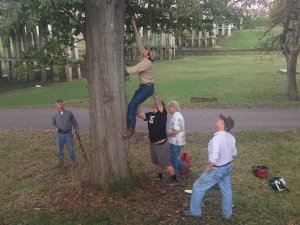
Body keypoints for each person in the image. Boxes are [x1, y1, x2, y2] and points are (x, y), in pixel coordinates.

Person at [182, 115, 237, 219]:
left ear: (222, 125)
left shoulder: (216, 139)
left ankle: (195, 212)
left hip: (217, 169)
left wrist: (209, 167)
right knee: (226, 190)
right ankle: (227, 214)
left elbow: (214, 157)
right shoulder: (231, 137)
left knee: (197, 187)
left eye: (220, 120)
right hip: (228, 167)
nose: (218, 120)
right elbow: (234, 154)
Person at [123, 19, 155, 138]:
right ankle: (143, 117)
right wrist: (135, 27)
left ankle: (131, 129)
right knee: (134, 108)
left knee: (132, 105)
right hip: (143, 88)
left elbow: (132, 70)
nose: (144, 49)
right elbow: (139, 42)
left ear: (148, 55)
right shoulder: (144, 56)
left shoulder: (146, 62)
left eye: (146, 51)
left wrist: (121, 65)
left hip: (147, 88)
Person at [137, 93, 177, 186]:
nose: (155, 105)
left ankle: (174, 180)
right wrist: (138, 103)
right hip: (153, 144)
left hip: (161, 144)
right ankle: (160, 177)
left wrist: (154, 96)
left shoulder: (162, 114)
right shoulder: (150, 115)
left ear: (161, 107)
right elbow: (139, 114)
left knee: (166, 163)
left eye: (158, 105)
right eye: (155, 104)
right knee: (156, 162)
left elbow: (158, 103)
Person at [51, 99, 79, 167]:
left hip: (68, 134)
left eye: (61, 104)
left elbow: (74, 121)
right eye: (58, 104)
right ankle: (61, 161)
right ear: (56, 106)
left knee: (71, 149)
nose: (60, 105)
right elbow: (53, 123)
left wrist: (76, 129)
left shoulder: (69, 113)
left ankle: (73, 161)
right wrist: (56, 128)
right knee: (60, 149)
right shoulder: (55, 115)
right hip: (59, 135)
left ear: (62, 104)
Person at [167, 100, 187, 176]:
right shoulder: (175, 115)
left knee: (173, 160)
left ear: (175, 107)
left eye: (171, 106)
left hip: (176, 142)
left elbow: (175, 131)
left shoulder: (176, 117)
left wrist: (165, 135)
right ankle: (184, 166)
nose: (169, 108)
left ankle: (176, 177)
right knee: (172, 158)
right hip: (176, 141)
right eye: (169, 106)